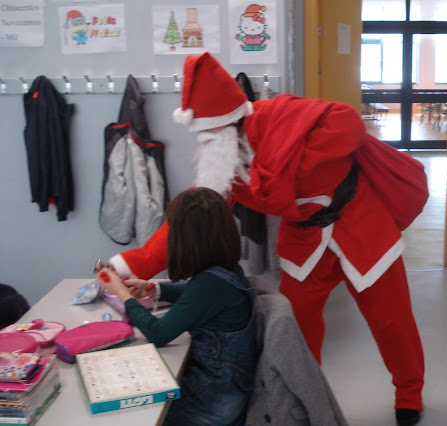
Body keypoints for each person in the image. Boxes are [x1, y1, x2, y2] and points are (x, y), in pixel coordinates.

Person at [107, 52, 428, 426]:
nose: (206, 145)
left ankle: (410, 392)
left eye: (209, 135)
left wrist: (282, 167)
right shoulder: (225, 162)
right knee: (293, 328)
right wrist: (132, 264)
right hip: (306, 241)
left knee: (391, 319)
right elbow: (191, 220)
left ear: (230, 123)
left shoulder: (281, 114)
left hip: (361, 226)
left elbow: (348, 125)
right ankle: (302, 395)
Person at [98, 187, 257, 426]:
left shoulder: (209, 284)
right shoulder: (227, 271)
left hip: (214, 397)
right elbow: (196, 297)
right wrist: (154, 289)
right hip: (226, 385)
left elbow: (158, 334)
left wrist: (123, 295)